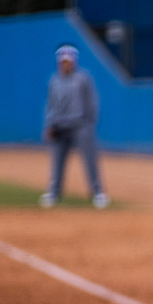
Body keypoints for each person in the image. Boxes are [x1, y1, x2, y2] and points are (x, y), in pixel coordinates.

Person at [40, 44, 108, 209]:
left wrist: (90, 123)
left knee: (89, 160)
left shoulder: (83, 78)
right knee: (57, 162)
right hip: (59, 127)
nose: (66, 64)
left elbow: (92, 103)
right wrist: (48, 126)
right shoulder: (54, 81)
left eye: (68, 61)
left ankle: (97, 192)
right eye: (63, 62)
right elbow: (50, 105)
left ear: (74, 62)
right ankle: (54, 192)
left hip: (80, 126)